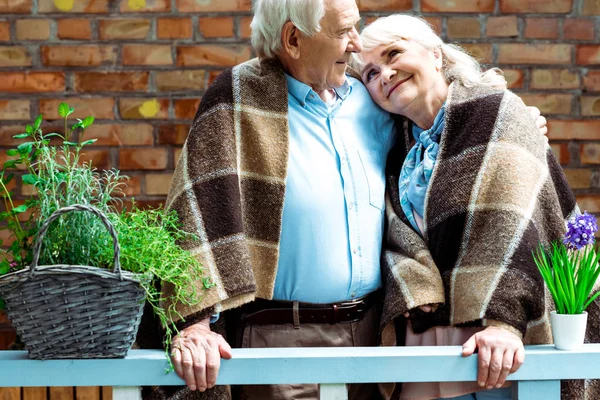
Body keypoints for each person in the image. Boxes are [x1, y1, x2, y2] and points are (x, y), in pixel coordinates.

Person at [153, 2, 548, 400]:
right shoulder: (240, 96)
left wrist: (517, 124)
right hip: (280, 337)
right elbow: (196, 209)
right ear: (293, 39)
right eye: (344, 32)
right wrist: (195, 323)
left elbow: (443, 124)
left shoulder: (373, 100)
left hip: (377, 336)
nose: (356, 44)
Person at [350, 14, 587, 400]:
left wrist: (503, 322)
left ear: (436, 56)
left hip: (498, 338)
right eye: (371, 73)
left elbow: (511, 224)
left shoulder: (496, 113)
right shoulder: (394, 149)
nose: (385, 74)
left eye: (394, 54)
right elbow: (394, 237)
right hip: (427, 340)